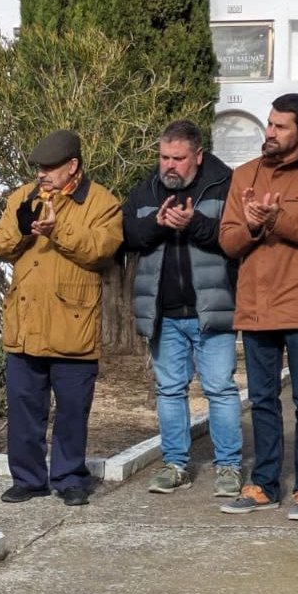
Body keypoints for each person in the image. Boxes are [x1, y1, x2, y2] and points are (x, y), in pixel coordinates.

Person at [218, 93, 298, 521]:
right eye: (269, 124)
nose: (269, 133)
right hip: (257, 303)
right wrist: (253, 225)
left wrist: (276, 220)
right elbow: (228, 241)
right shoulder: (245, 175)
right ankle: (265, 485)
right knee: (261, 399)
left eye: (280, 127)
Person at [0, 130, 122, 506]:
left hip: (72, 325)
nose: (42, 174)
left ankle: (69, 477)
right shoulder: (23, 196)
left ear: (73, 166)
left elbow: (101, 250)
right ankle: (28, 479)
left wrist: (58, 229)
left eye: (50, 168)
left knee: (72, 411)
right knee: (24, 407)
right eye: (39, 168)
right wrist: (23, 226)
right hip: (25, 324)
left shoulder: (102, 202)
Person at [122, 120, 242, 498]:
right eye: (163, 157)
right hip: (165, 314)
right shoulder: (146, 191)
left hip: (214, 311)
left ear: (198, 155)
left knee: (220, 389)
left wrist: (195, 224)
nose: (169, 165)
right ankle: (175, 464)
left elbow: (234, 240)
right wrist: (157, 226)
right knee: (170, 391)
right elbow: (128, 237)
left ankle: (229, 467)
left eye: (178, 158)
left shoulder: (225, 184)